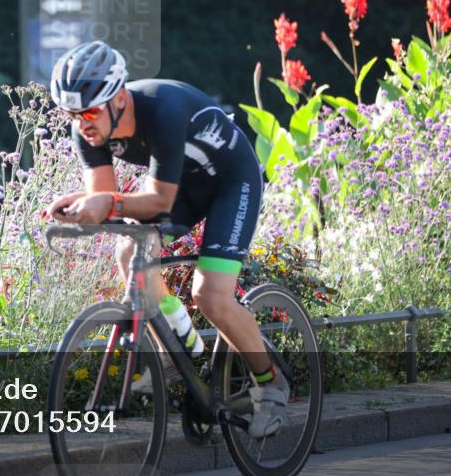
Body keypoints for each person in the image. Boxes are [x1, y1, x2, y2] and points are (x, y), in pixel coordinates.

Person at [43, 40, 288, 439]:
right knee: (129, 252)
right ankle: (181, 346)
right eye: (71, 113)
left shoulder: (163, 111)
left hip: (230, 180)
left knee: (211, 294)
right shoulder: (87, 133)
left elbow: (158, 199)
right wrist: (84, 206)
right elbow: (108, 199)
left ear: (119, 99)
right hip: (182, 185)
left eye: (88, 110)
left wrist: (104, 201)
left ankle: (271, 382)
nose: (81, 122)